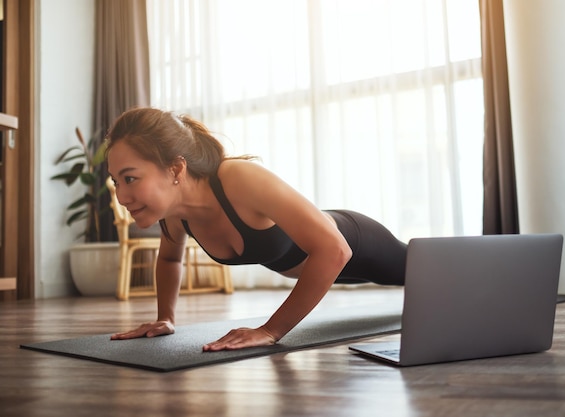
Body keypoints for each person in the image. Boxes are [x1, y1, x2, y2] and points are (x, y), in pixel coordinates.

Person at [106, 107, 407, 352]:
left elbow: (335, 249)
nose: (121, 196)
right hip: (326, 270)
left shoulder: (238, 179)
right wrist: (165, 319)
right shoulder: (176, 213)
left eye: (130, 178)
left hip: (359, 241)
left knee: (429, 272)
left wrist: (270, 330)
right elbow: (170, 259)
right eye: (116, 181)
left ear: (175, 169)